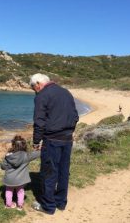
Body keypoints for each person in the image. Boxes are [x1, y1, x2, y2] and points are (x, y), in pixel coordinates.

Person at [30, 73, 79, 214]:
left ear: (38, 83)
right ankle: (61, 202)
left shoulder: (42, 95)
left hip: (52, 140)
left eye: (33, 87)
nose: (34, 90)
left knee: (49, 173)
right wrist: (69, 131)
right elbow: (75, 116)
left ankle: (48, 206)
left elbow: (39, 121)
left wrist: (36, 141)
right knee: (63, 172)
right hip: (67, 139)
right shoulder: (65, 92)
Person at [0, 135, 40, 210]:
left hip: (10, 180)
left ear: (13, 145)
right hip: (21, 180)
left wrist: (5, 165)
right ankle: (20, 206)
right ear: (24, 146)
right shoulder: (26, 156)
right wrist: (41, 149)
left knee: (8, 191)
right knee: (20, 191)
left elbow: (2, 166)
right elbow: (37, 154)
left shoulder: (8, 156)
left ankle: (8, 205)